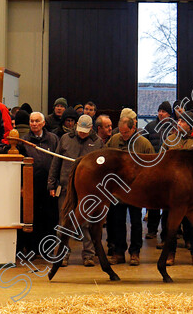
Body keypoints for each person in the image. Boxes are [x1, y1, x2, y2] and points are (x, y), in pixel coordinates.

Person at [48, 114, 103, 267]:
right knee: (64, 222)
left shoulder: (97, 143)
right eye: (80, 130)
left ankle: (89, 255)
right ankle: (63, 255)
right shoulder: (65, 139)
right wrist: (52, 184)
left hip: (87, 191)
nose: (82, 133)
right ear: (76, 125)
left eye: (85, 131)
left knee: (86, 223)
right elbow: (56, 162)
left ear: (91, 128)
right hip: (66, 188)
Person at [161, 111, 193, 267]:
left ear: (190, 125)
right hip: (171, 192)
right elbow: (159, 162)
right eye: (178, 121)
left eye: (182, 121)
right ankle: (170, 253)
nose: (178, 124)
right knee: (170, 225)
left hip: (192, 192)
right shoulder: (170, 140)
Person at [106, 115, 154, 266]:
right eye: (121, 132)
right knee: (118, 221)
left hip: (137, 191)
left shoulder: (144, 144)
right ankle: (119, 252)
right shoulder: (114, 140)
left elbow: (152, 166)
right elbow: (105, 158)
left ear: (134, 129)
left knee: (136, 222)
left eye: (126, 132)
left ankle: (135, 252)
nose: (123, 135)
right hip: (118, 190)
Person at [14, 112, 59, 258]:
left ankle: (46, 250)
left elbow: (57, 162)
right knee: (31, 217)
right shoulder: (24, 141)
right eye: (31, 121)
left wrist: (55, 183)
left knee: (49, 217)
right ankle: (31, 249)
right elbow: (18, 165)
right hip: (30, 186)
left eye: (37, 121)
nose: (34, 124)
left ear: (43, 123)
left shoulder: (53, 139)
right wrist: (21, 186)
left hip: (49, 186)